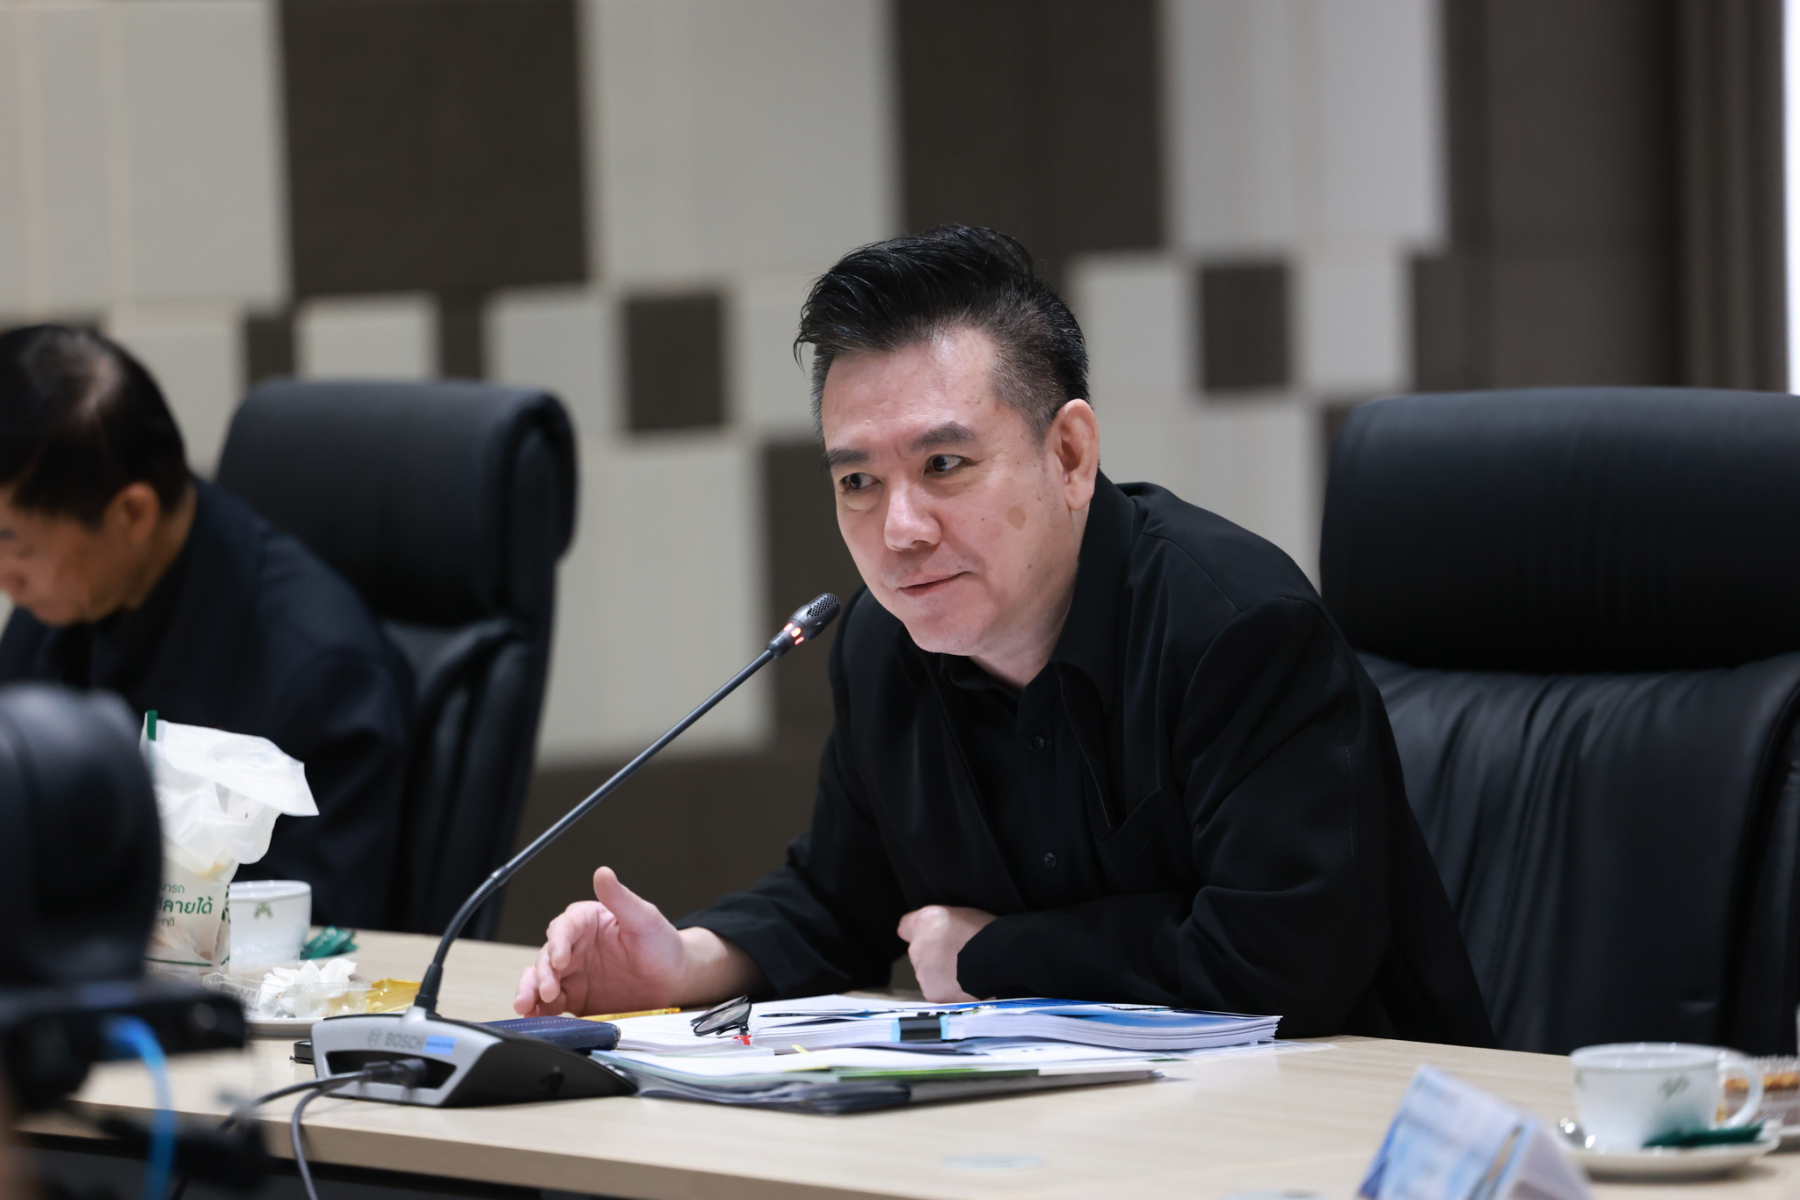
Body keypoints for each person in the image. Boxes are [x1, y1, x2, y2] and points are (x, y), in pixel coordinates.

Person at [515, 226, 1493, 1042]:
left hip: (1337, 1139)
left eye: (944, 465)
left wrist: (990, 956)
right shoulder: (885, 649)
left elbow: (1282, 964)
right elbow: (838, 900)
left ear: (1068, 454)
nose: (900, 529)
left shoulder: (1235, 632)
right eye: (858, 482)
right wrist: (681, 962)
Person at [0, 324, 411, 926]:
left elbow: (302, 933)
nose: (6, 576)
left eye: (15, 545)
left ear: (131, 513)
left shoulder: (322, 673)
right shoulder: (63, 603)